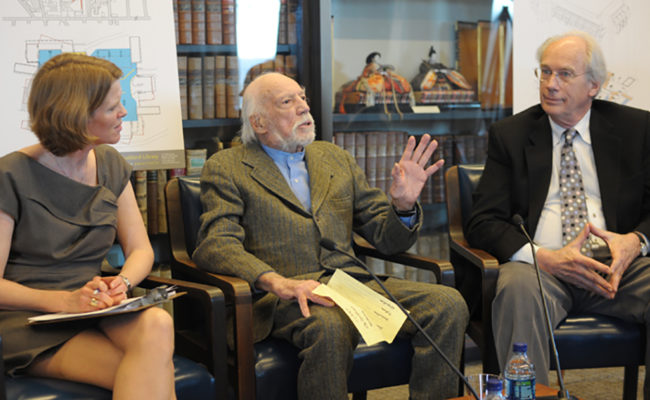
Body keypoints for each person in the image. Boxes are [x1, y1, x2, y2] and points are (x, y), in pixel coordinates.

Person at [193, 72, 469, 400]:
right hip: (281, 297)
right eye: (287, 101)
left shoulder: (333, 157)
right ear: (260, 122)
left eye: (302, 97)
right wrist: (276, 281)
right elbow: (216, 244)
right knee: (328, 324)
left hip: (349, 285)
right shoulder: (227, 166)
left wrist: (403, 204)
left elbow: (387, 238)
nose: (303, 107)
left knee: (447, 303)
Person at [465, 30, 650, 394]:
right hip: (541, 270)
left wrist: (636, 241)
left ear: (594, 85)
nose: (550, 84)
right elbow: (483, 221)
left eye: (564, 74)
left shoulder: (637, 129)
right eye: (545, 72)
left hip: (617, 268)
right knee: (515, 289)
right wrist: (542, 258)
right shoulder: (511, 135)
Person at [0, 53, 176, 399]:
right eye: (113, 107)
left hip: (98, 306)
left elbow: (140, 249)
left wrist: (122, 283)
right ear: (76, 115)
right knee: (153, 373)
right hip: (31, 319)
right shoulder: (10, 175)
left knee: (158, 321)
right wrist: (63, 301)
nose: (123, 112)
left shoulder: (111, 163)